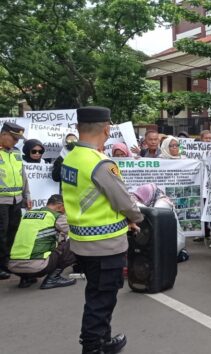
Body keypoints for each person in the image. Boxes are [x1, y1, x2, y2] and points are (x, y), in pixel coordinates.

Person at [61, 106, 143, 354]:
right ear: (107, 129)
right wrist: (135, 217)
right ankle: (94, 347)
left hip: (82, 242)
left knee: (96, 294)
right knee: (101, 300)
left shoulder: (71, 157)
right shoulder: (99, 163)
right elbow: (123, 201)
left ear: (78, 128)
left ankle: (103, 341)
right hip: (105, 245)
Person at [8, 194, 77, 289]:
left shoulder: (27, 214)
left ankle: (26, 279)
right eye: (65, 207)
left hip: (13, 267)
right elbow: (75, 232)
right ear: (59, 206)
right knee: (75, 242)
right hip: (37, 267)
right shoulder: (55, 216)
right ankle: (53, 278)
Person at [0, 122, 31, 280]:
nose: (16, 142)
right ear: (4, 135)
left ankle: (7, 263)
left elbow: (22, 175)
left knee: (13, 231)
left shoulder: (16, 152)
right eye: (14, 138)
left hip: (16, 199)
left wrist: (27, 195)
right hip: (1, 201)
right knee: (1, 233)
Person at [131, 184, 188, 262]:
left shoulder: (162, 203)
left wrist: (136, 206)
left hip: (174, 242)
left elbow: (153, 217)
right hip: (169, 240)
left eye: (141, 198)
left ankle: (179, 255)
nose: (141, 200)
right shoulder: (157, 199)